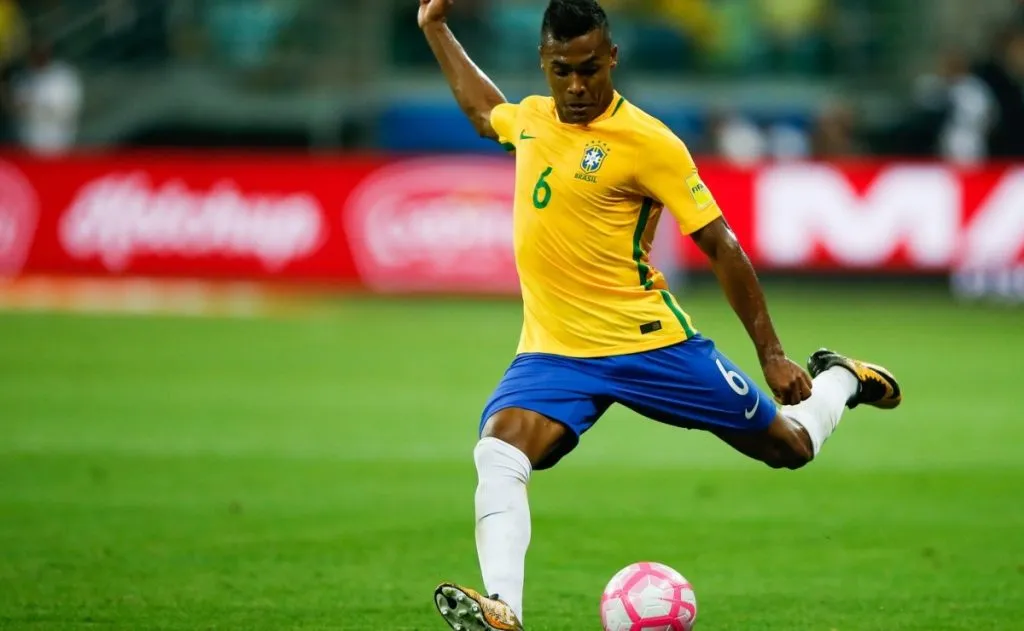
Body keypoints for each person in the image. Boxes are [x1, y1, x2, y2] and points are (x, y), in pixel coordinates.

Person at [417, 1, 902, 629]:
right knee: (499, 452)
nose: (577, 86)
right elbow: (485, 111)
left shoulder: (649, 141)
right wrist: (435, 27)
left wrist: (772, 353)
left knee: (789, 446)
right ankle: (504, 608)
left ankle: (841, 377)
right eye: (562, 70)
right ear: (544, 63)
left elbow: (721, 244)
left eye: (590, 69)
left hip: (652, 345)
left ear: (612, 58)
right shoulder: (534, 119)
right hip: (555, 352)